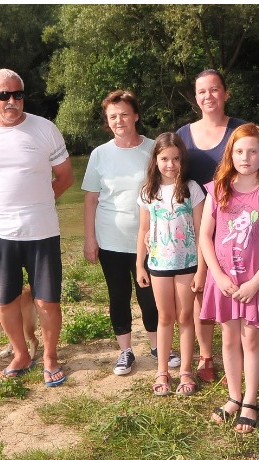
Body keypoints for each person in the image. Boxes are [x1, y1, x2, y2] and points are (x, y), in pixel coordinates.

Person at [0, 68, 73, 387]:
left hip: (42, 230)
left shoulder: (45, 129)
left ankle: (50, 357)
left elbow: (64, 177)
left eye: (18, 94)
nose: (12, 101)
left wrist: (36, 202)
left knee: (47, 300)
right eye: (3, 95)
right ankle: (21, 354)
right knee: (5, 299)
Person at [199, 124, 259, 434]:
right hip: (224, 280)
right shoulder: (218, 188)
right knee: (228, 339)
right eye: (239, 151)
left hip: (255, 281)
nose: (246, 157)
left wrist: (254, 283)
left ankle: (250, 402)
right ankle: (233, 397)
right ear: (231, 154)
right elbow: (205, 236)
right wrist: (216, 274)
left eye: (253, 151)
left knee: (250, 339)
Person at [82, 90, 161, 377]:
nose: (119, 120)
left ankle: (157, 346)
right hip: (111, 239)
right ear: (107, 120)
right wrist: (90, 239)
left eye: (124, 114)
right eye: (112, 116)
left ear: (136, 116)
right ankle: (125, 352)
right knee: (118, 294)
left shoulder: (155, 149)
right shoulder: (99, 154)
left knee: (150, 295)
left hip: (151, 239)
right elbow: (91, 199)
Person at [178, 69, 248, 386]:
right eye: (202, 91)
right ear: (196, 97)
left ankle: (240, 347)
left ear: (226, 93)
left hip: (236, 225)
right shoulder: (183, 135)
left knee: (237, 283)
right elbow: (171, 180)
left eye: (215, 89)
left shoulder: (241, 131)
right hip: (196, 224)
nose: (209, 96)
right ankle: (206, 355)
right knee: (201, 290)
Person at [137, 133, 206, 397]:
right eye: (164, 158)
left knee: (185, 317)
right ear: (155, 159)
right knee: (164, 317)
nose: (170, 164)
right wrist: (140, 265)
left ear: (182, 160)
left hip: (187, 264)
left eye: (176, 159)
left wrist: (201, 268)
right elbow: (143, 228)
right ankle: (162, 370)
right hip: (158, 264)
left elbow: (201, 231)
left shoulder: (192, 189)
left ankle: (186, 371)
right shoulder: (147, 191)